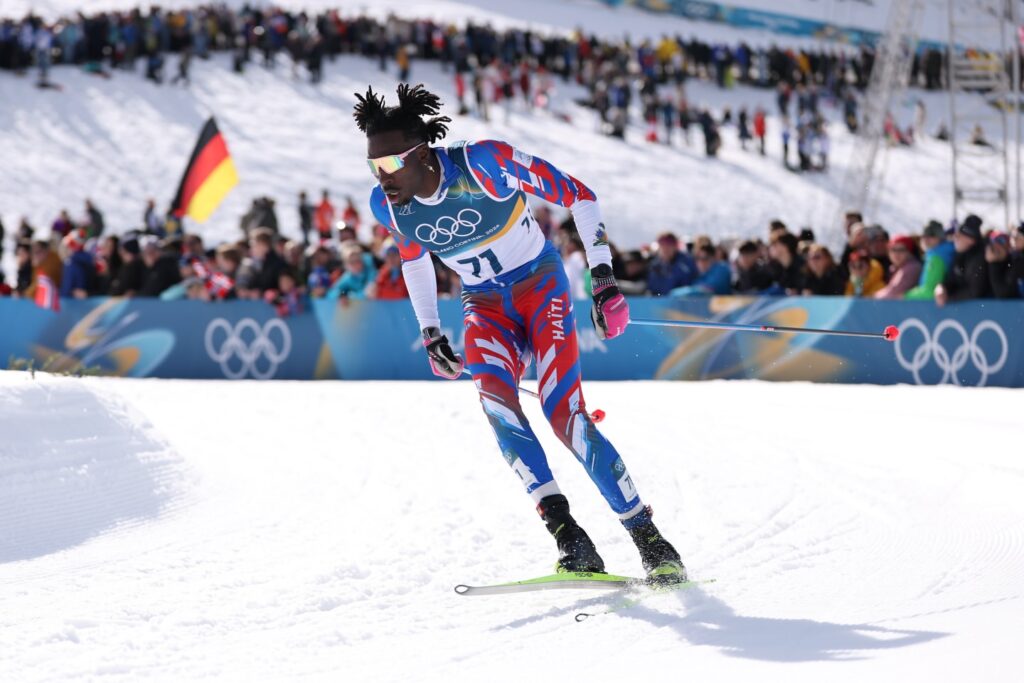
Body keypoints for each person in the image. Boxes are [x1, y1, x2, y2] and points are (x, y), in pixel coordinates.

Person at [353, 83, 685, 583]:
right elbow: (413, 258)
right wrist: (430, 331)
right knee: (497, 407)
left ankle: (651, 541)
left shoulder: (486, 163)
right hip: (483, 304)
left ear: (421, 153)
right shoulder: (388, 205)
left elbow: (581, 196)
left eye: (391, 165)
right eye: (373, 166)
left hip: (539, 287)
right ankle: (570, 538)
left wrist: (603, 281)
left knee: (564, 416)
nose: (382, 178)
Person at [935, 214, 992, 306]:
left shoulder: (979, 258)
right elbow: (953, 281)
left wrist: (949, 298)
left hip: (985, 309)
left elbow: (975, 291)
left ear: (971, 240)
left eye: (958, 236)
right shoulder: (960, 255)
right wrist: (942, 287)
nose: (955, 238)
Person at [904, 220, 955, 300]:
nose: (926, 239)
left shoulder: (936, 258)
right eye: (924, 235)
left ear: (940, 237)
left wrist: (904, 296)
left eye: (932, 235)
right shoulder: (935, 254)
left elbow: (930, 291)